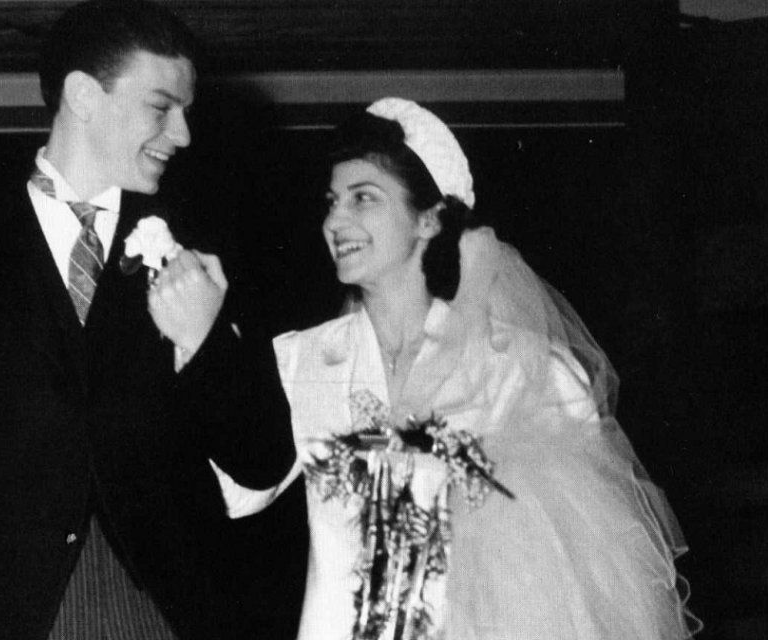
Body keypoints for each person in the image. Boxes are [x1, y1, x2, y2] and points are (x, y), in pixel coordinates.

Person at [0, 1, 296, 639]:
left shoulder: (196, 244)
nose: (183, 134)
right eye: (161, 108)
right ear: (82, 95)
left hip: (162, 613)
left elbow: (264, 461)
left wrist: (205, 339)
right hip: (6, 618)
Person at [215, 97, 697, 639]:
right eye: (332, 201)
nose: (335, 221)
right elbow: (239, 493)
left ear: (429, 218)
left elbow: (591, 572)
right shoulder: (300, 360)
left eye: (363, 198)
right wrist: (202, 346)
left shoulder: (525, 370)